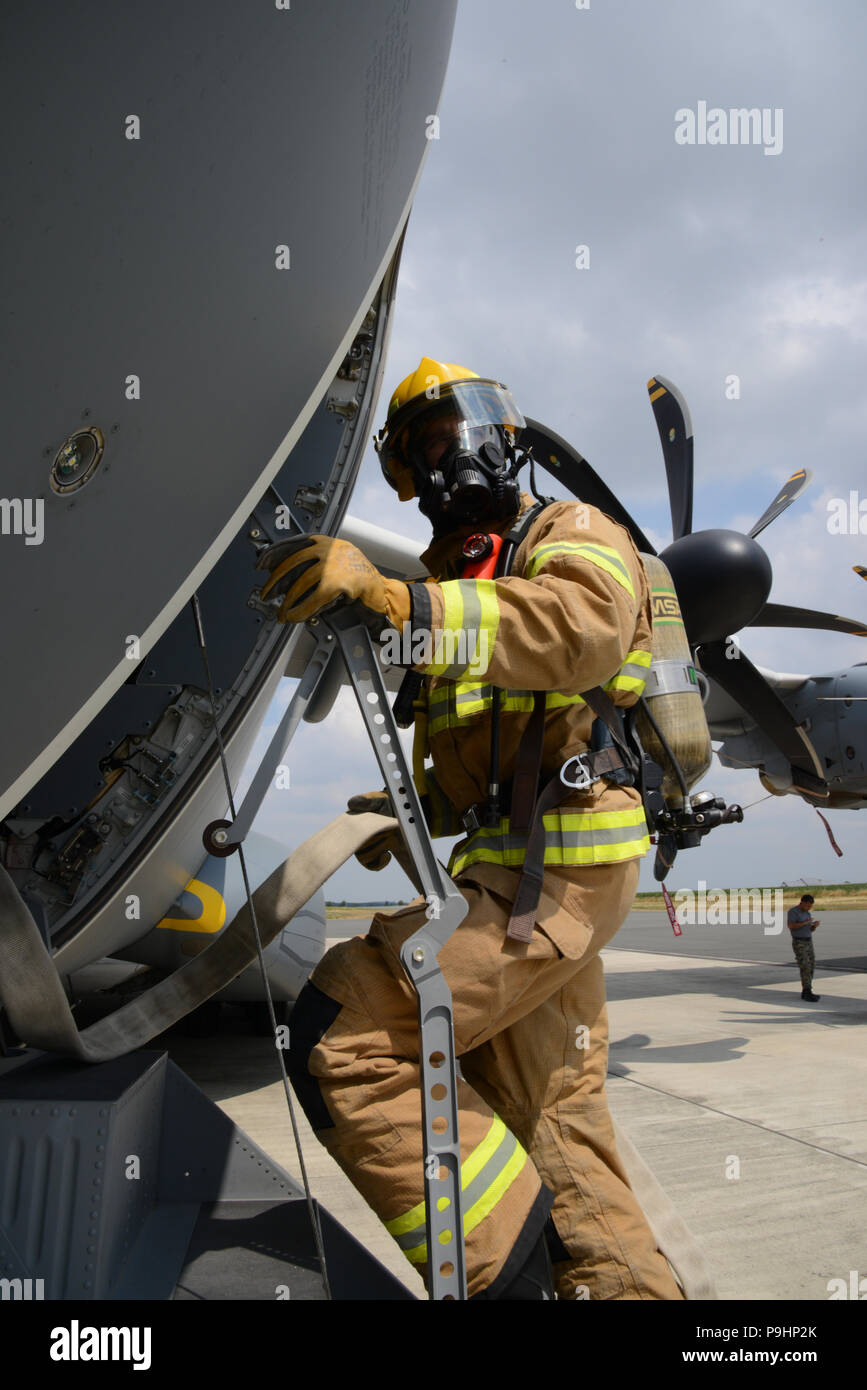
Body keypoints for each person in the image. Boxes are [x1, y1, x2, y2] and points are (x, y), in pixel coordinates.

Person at [265, 357, 683, 1300]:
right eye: (422, 450)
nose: (447, 461)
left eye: (458, 433)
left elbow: (580, 628)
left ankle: (500, 1279)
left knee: (348, 1030)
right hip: (519, 872)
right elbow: (489, 759)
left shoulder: (566, 532)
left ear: (505, 436)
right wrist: (406, 814)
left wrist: (395, 599)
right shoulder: (463, 578)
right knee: (555, 1127)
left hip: (560, 872)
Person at [787, 893, 820, 1001]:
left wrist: (813, 926)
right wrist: (805, 923)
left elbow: (809, 929)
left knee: (811, 965)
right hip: (799, 942)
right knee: (804, 965)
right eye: (808, 906)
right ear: (803, 902)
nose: (809, 908)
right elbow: (791, 925)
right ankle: (807, 991)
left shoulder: (807, 914)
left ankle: (807, 990)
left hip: (808, 941)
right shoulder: (793, 912)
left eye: (810, 906)